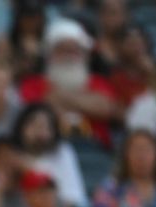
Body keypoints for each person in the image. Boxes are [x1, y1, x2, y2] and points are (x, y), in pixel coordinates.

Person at [19, 18, 120, 148]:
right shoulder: (31, 84)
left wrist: (59, 97)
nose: (69, 56)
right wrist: (87, 102)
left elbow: (106, 108)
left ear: (85, 55)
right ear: (50, 55)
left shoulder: (99, 82)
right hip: (48, 150)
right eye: (63, 50)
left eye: (74, 50)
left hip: (97, 149)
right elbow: (38, 111)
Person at [11, 103, 89, 207]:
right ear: (22, 128)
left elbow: (73, 199)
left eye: (45, 127)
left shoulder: (63, 152)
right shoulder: (10, 154)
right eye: (34, 125)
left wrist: (32, 169)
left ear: (53, 131)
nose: (40, 132)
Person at [92, 129, 156, 207]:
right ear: (125, 156)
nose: (141, 157)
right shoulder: (110, 187)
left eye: (146, 150)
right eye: (135, 150)